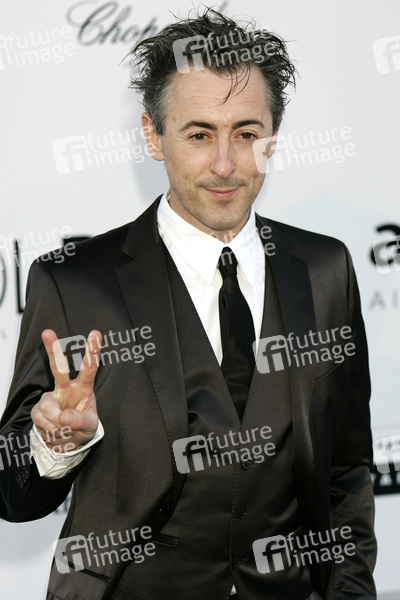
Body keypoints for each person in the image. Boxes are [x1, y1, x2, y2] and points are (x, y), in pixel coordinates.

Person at [0, 8, 376, 600]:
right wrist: (56, 445)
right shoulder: (74, 285)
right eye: (199, 135)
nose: (225, 164)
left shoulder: (325, 269)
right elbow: (13, 494)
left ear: (273, 136)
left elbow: (347, 469)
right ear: (153, 136)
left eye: (246, 134)